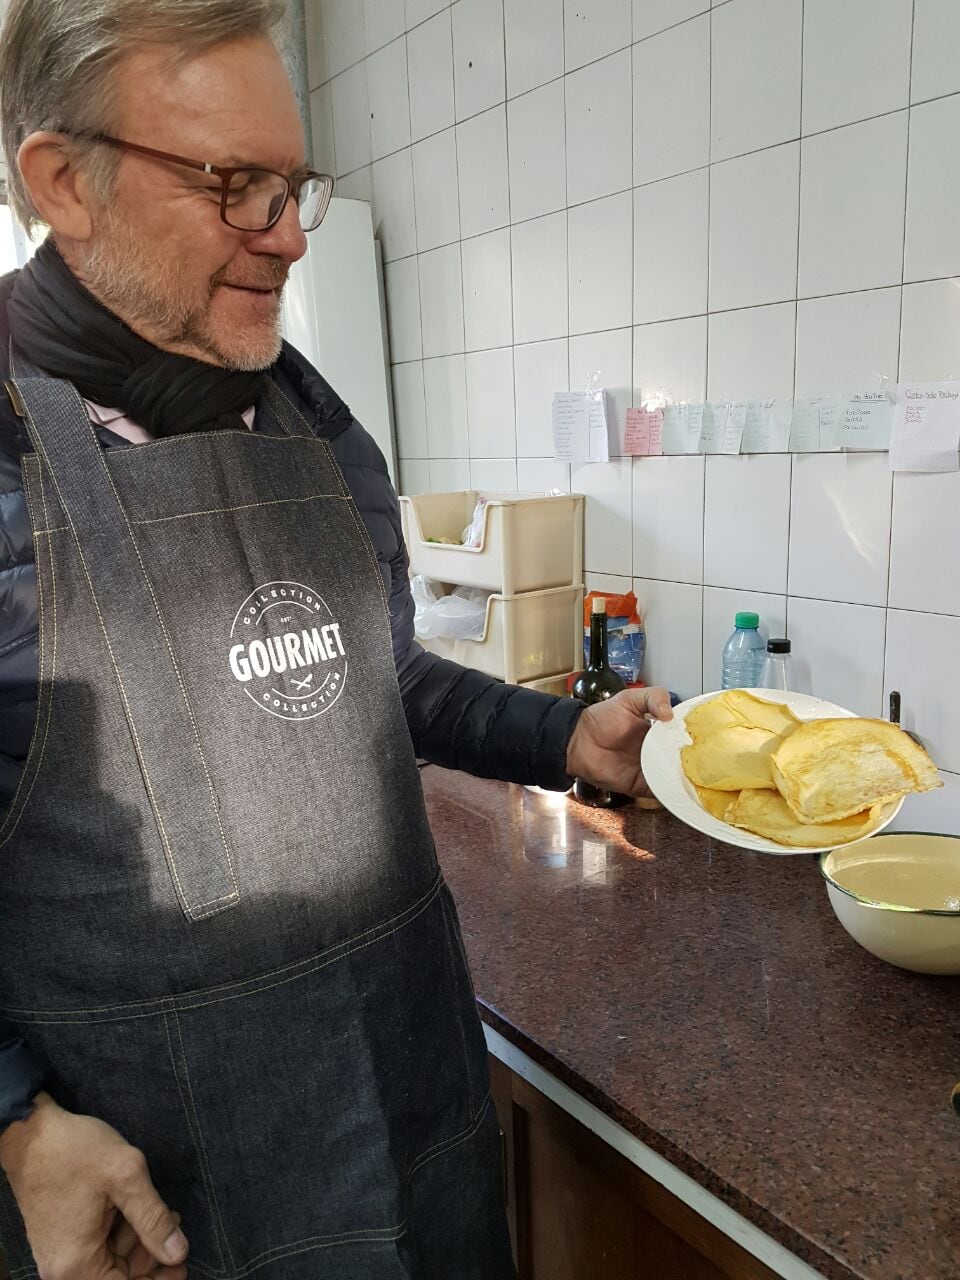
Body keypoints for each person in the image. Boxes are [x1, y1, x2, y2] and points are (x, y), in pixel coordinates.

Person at [0, 3, 672, 1278]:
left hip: (416, 1113)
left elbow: (371, 674)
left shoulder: (313, 428)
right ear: (61, 183)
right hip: (166, 1196)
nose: (291, 237)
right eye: (235, 186)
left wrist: (563, 734)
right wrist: (18, 1122)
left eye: (293, 184)